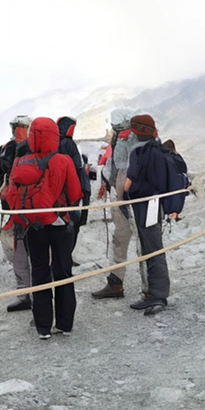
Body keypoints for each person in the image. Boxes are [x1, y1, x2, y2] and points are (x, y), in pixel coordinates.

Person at [3, 117, 82, 339]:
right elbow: (75, 193)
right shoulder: (64, 160)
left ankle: (43, 327)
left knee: (39, 271)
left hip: (32, 226)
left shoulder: (21, 162)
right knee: (63, 271)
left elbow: (10, 195)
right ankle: (65, 324)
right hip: (59, 223)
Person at [123, 114, 172, 313]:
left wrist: (122, 196)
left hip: (144, 205)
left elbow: (129, 182)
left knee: (151, 248)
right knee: (153, 246)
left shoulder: (138, 151)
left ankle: (158, 295)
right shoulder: (158, 148)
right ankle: (155, 293)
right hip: (157, 202)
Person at [92, 109, 141, 300]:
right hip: (126, 197)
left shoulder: (128, 141)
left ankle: (146, 289)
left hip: (129, 199)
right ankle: (117, 284)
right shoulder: (126, 139)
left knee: (129, 242)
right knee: (122, 241)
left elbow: (123, 171)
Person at [0, 115, 33, 312]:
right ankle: (25, 293)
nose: (19, 130)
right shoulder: (3, 150)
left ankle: (35, 293)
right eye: (17, 127)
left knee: (35, 253)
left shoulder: (38, 151)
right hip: (13, 212)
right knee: (17, 254)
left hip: (34, 212)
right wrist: (1, 191)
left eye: (23, 127)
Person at [56, 116, 91, 234]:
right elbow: (77, 165)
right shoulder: (68, 143)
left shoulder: (55, 143)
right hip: (72, 184)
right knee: (73, 218)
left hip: (60, 188)